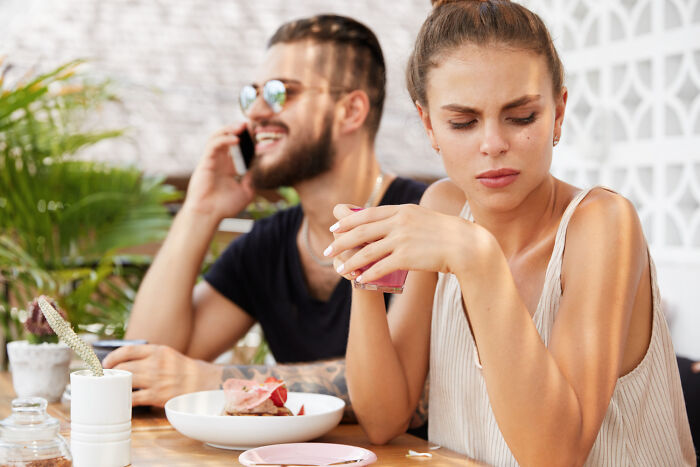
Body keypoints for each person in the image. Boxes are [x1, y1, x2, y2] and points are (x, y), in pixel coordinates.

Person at [325, 0, 696, 465]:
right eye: (462, 122)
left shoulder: (603, 224)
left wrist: (478, 259)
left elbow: (555, 455)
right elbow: (382, 419)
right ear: (429, 125)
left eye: (521, 117)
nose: (493, 144)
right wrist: (364, 268)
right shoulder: (443, 206)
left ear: (558, 113)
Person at [102, 14, 427, 426]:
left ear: (350, 111)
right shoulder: (267, 245)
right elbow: (146, 367)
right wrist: (199, 212)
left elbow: (408, 392)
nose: (255, 112)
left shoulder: (421, 222)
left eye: (279, 93)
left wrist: (217, 381)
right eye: (250, 95)